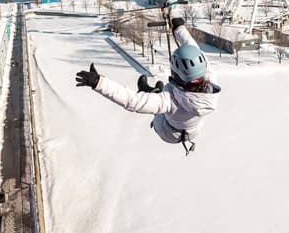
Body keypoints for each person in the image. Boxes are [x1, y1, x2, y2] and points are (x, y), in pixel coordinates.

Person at [75, 11, 221, 154]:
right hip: (193, 131)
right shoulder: (210, 79)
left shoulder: (168, 100)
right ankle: (155, 92)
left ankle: (152, 92)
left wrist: (99, 82)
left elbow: (133, 101)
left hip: (168, 132)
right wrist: (179, 29)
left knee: (159, 106)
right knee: (164, 96)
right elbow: (193, 50)